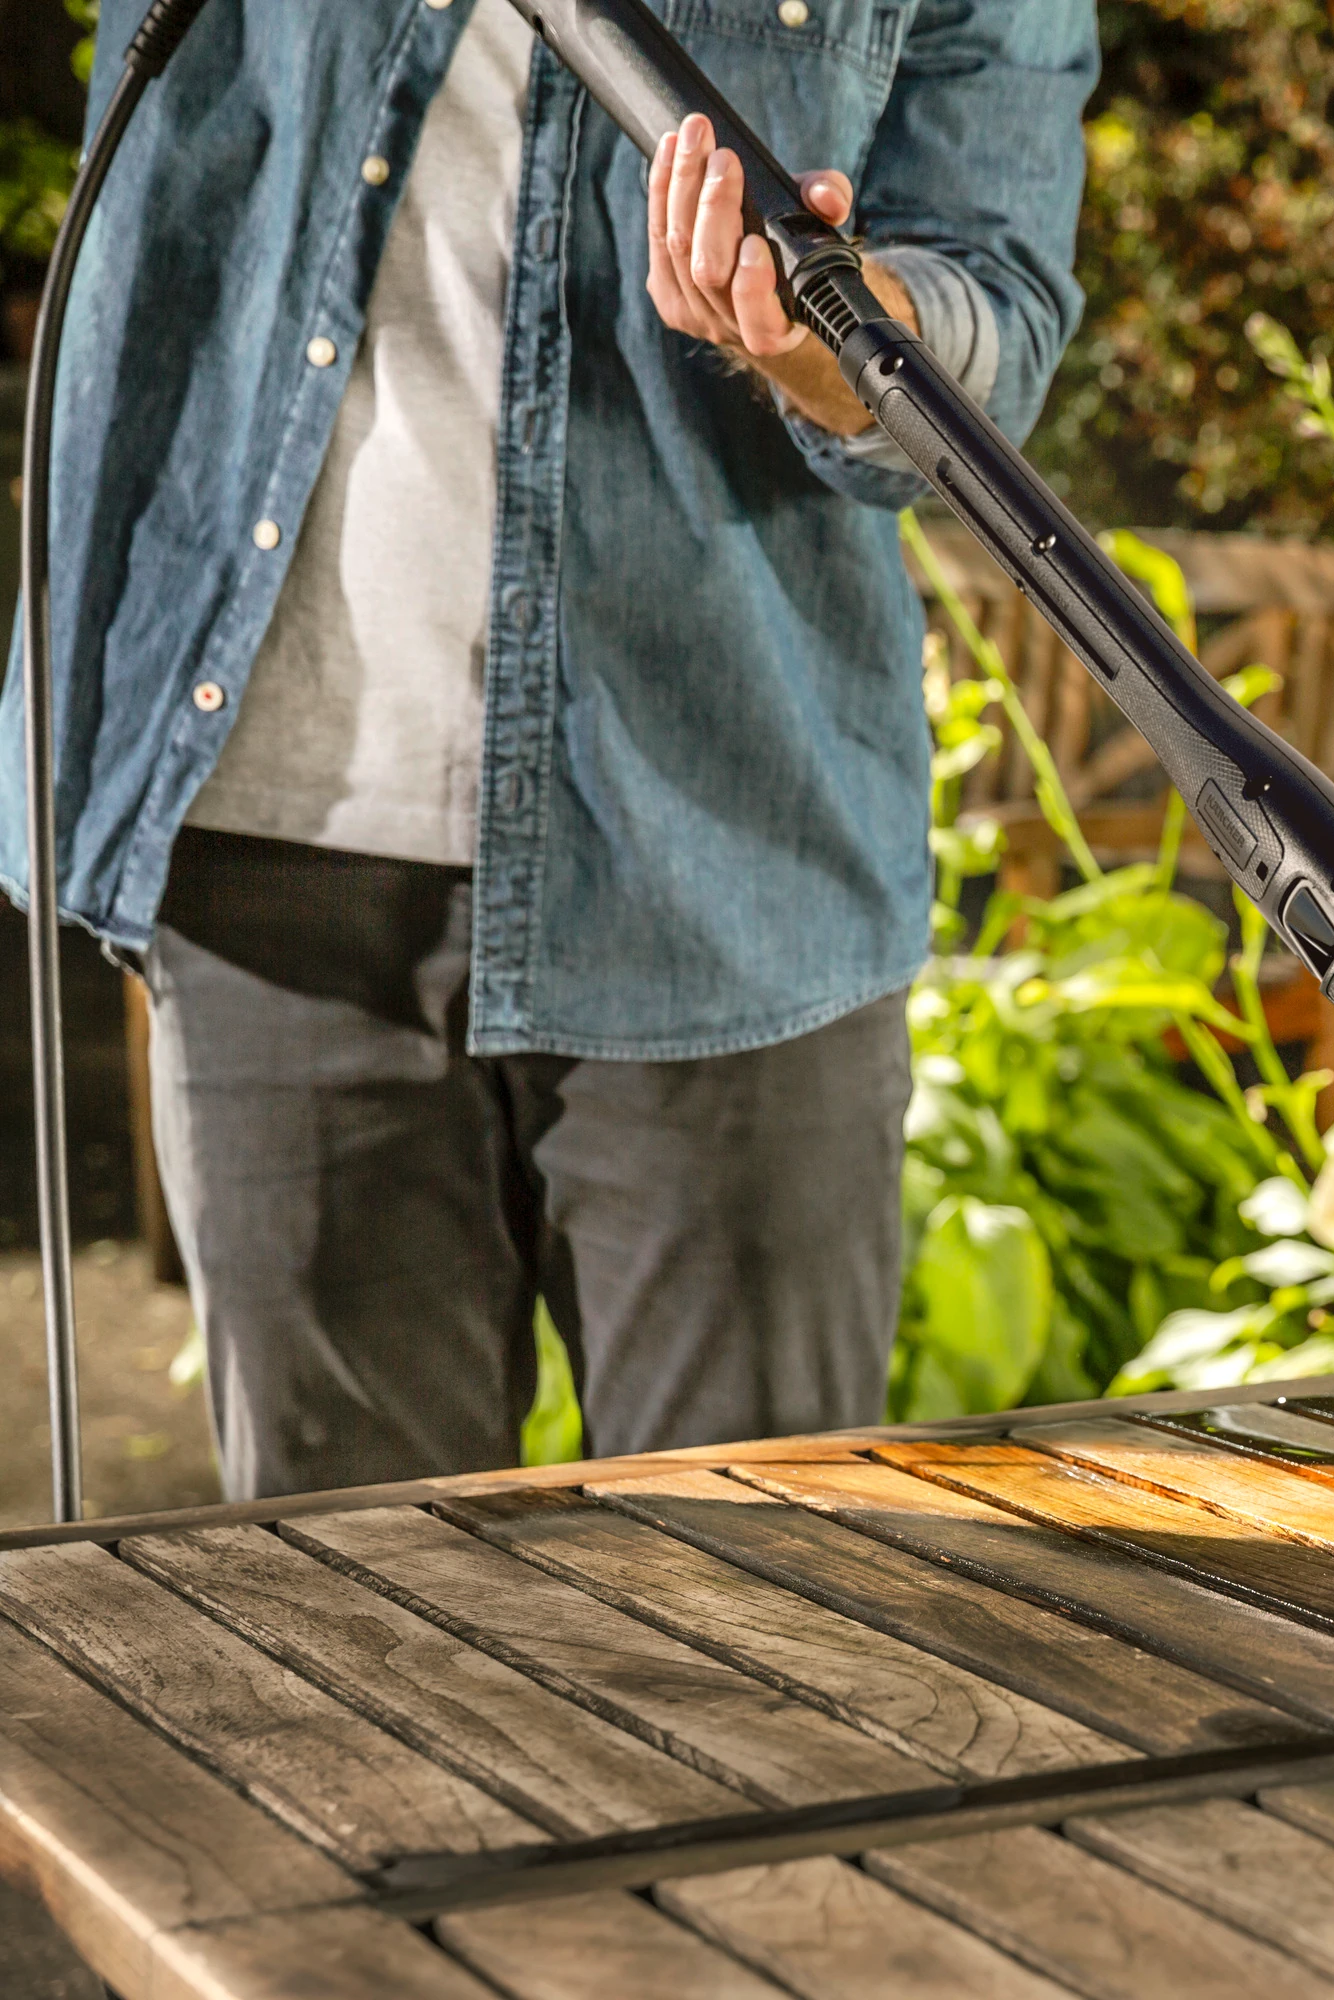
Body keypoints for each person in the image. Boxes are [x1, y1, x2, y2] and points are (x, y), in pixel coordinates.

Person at [3, 0, 1097, 1497]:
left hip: (729, 872)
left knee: (754, 1626)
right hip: (271, 855)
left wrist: (828, 334)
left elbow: (994, 329)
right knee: (359, 1635)